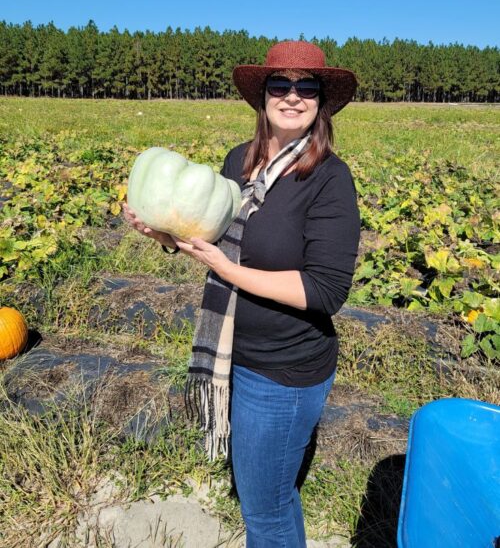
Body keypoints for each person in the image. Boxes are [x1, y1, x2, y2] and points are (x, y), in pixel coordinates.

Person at [123, 40, 361, 548]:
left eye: (307, 87)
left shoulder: (330, 180)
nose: (292, 96)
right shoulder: (240, 162)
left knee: (267, 509)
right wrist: (162, 234)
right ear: (263, 97)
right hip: (237, 356)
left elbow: (324, 290)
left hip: (285, 371)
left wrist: (226, 269)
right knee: (262, 494)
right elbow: (209, 237)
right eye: (281, 84)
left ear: (321, 102)